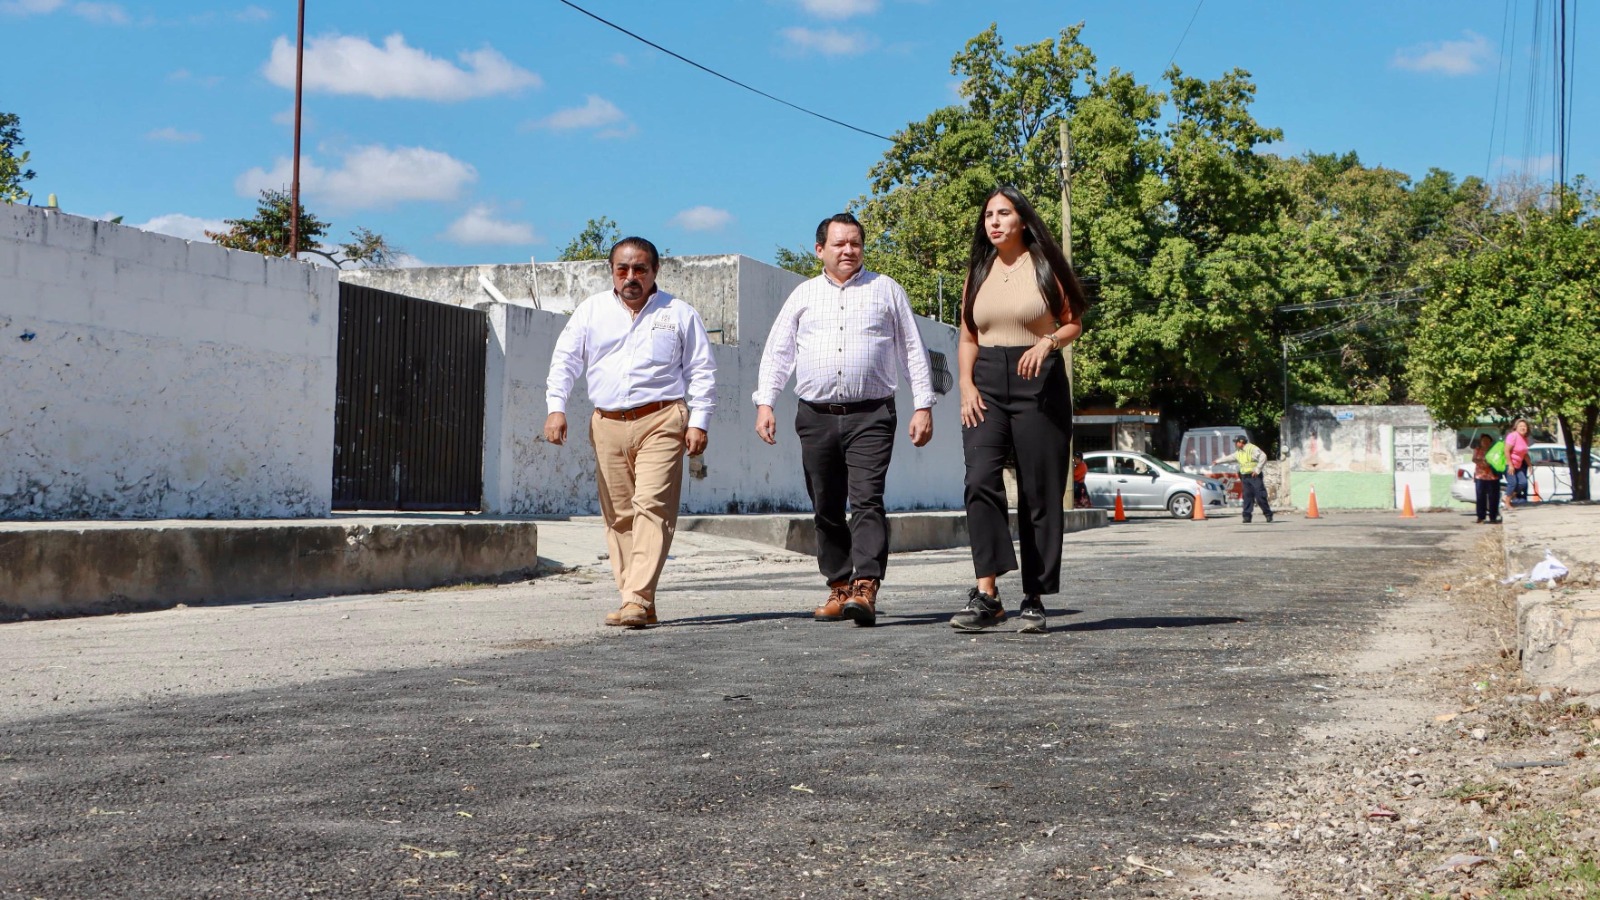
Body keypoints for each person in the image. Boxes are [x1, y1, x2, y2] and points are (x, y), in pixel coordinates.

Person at [754, 212, 936, 627]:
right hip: (815, 416)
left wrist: (923, 405)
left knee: (868, 499)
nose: (849, 250)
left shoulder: (886, 290)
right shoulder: (803, 295)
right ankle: (839, 586)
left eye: (855, 243)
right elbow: (778, 353)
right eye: (839, 244)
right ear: (820, 250)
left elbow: (912, 349)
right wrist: (765, 403)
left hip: (872, 414)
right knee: (826, 504)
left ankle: (865, 586)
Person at [544, 237, 717, 628]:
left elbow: (702, 370)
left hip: (662, 419)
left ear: (655, 271)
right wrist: (556, 408)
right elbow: (565, 361)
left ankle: (636, 598)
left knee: (652, 507)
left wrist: (699, 420)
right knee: (619, 516)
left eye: (640, 269)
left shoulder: (679, 313)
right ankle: (637, 600)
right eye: (622, 269)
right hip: (606, 423)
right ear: (612, 271)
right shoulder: (591, 311)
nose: (631, 277)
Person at [950, 186, 1086, 634]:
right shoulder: (979, 270)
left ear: (1022, 220)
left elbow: (1073, 322)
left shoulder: (1045, 266)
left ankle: (1034, 597)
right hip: (986, 381)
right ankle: (987, 595)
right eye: (988, 214)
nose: (994, 221)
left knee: (1039, 491)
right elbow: (968, 336)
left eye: (1003, 213)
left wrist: (1048, 342)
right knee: (979, 480)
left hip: (1038, 383)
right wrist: (966, 385)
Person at [1217, 435, 1273, 523]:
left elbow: (1263, 456)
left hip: (1254, 476)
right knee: (1247, 497)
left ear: (1241, 442)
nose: (1235, 444)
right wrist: (1217, 461)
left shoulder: (1252, 448)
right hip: (1245, 477)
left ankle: (1268, 514)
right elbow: (1230, 457)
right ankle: (1247, 516)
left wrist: (1257, 469)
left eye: (1236, 442)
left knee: (1260, 496)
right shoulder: (1239, 452)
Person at [1471, 434, 1503, 524]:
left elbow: (1498, 460)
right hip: (1480, 476)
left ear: (1490, 442)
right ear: (1480, 442)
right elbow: (1474, 459)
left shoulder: (1494, 450)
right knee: (1480, 497)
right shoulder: (1477, 450)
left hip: (1493, 476)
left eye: (1487, 440)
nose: (1485, 442)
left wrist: (1489, 463)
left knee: (1493, 497)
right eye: (1483, 440)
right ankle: (1481, 517)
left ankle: (1493, 517)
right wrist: (1482, 462)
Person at [1504, 418, 1531, 505]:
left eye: (1524, 426)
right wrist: (1510, 465)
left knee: (1523, 483)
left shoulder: (1525, 439)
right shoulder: (1512, 436)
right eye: (1520, 426)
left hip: (1518, 465)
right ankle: (1507, 504)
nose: (1523, 428)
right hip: (1509, 464)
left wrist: (1530, 465)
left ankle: (1507, 497)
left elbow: (1525, 454)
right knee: (1512, 483)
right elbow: (1506, 450)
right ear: (1516, 427)